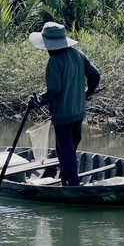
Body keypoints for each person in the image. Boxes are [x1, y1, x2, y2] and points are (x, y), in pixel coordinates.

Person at [28, 22, 100, 186]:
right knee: (69, 147)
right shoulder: (78, 54)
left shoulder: (54, 61)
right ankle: (64, 180)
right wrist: (87, 94)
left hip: (63, 114)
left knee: (66, 151)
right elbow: (95, 76)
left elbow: (54, 89)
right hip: (78, 112)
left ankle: (73, 186)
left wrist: (37, 102)